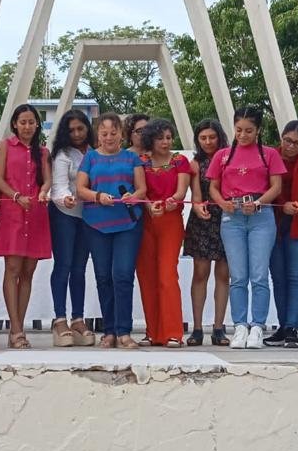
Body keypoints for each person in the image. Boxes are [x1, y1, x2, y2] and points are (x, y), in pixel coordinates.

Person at [207, 107, 285, 349]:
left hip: (261, 215)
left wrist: (259, 203)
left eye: (249, 131)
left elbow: (276, 187)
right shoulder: (222, 155)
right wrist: (222, 203)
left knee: (259, 275)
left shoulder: (269, 154)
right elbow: (213, 187)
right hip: (232, 217)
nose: (243, 135)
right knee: (238, 276)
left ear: (258, 130)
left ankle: (258, 326)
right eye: (239, 130)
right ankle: (240, 325)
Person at [77, 112, 147, 348]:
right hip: (96, 224)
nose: (109, 137)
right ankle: (109, 330)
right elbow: (80, 189)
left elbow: (142, 189)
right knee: (103, 276)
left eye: (113, 133)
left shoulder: (131, 158)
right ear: (98, 135)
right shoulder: (90, 158)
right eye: (104, 133)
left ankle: (124, 331)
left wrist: (132, 196)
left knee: (123, 275)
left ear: (121, 135)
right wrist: (97, 196)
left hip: (128, 223)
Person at [0, 103, 52, 349]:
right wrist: (16, 196)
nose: (27, 126)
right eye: (23, 122)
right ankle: (16, 328)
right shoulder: (4, 146)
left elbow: (47, 180)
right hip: (13, 213)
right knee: (12, 268)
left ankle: (18, 326)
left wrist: (44, 191)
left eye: (31, 122)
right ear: (15, 124)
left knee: (28, 271)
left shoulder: (43, 152)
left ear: (37, 125)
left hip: (36, 213)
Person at [136, 119, 191, 348]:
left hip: (171, 221)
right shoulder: (141, 162)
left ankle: (173, 332)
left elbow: (181, 191)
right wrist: (149, 206)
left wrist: (172, 201)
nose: (166, 142)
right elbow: (140, 191)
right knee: (146, 276)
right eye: (160, 138)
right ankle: (152, 332)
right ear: (151, 140)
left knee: (167, 275)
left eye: (168, 137)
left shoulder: (180, 161)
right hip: (146, 222)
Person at [264, 120, 298, 348]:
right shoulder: (269, 157)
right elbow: (262, 187)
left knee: (295, 276)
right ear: (281, 137)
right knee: (278, 277)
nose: (291, 146)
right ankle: (282, 325)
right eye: (288, 140)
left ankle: (292, 327)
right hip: (272, 223)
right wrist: (282, 204)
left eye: (297, 143)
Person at [48, 109, 96, 347]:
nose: (77, 134)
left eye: (80, 128)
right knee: (63, 265)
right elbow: (58, 186)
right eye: (71, 130)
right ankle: (59, 320)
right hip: (64, 214)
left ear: (88, 128)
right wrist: (65, 198)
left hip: (88, 216)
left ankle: (78, 319)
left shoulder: (96, 151)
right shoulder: (63, 154)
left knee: (79, 268)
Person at [184, 119, 231, 346]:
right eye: (203, 138)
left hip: (228, 219)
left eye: (212, 137)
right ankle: (197, 328)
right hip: (201, 221)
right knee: (200, 274)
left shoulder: (230, 159)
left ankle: (219, 328)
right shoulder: (195, 163)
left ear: (220, 137)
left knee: (223, 275)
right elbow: (195, 194)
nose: (208, 142)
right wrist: (197, 206)